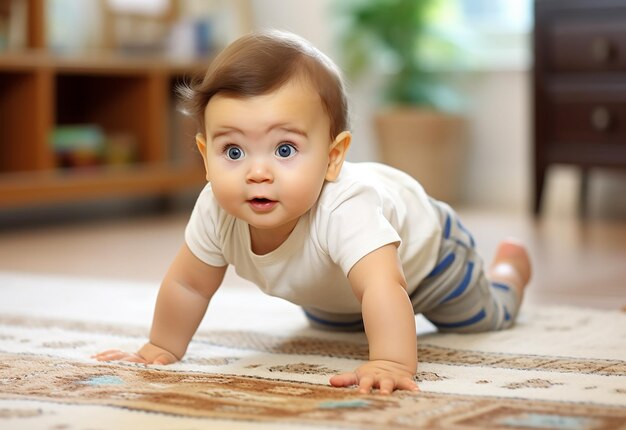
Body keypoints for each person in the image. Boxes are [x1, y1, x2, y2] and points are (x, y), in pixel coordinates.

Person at [94, 29, 531, 395]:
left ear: (332, 156)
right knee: (335, 327)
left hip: (432, 262)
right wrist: (161, 346)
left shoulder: (345, 206)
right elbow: (188, 284)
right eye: (233, 150)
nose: (257, 172)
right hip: (336, 294)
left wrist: (391, 362)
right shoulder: (216, 209)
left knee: (482, 319)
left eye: (285, 149)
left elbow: (384, 285)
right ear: (205, 156)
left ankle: (509, 273)